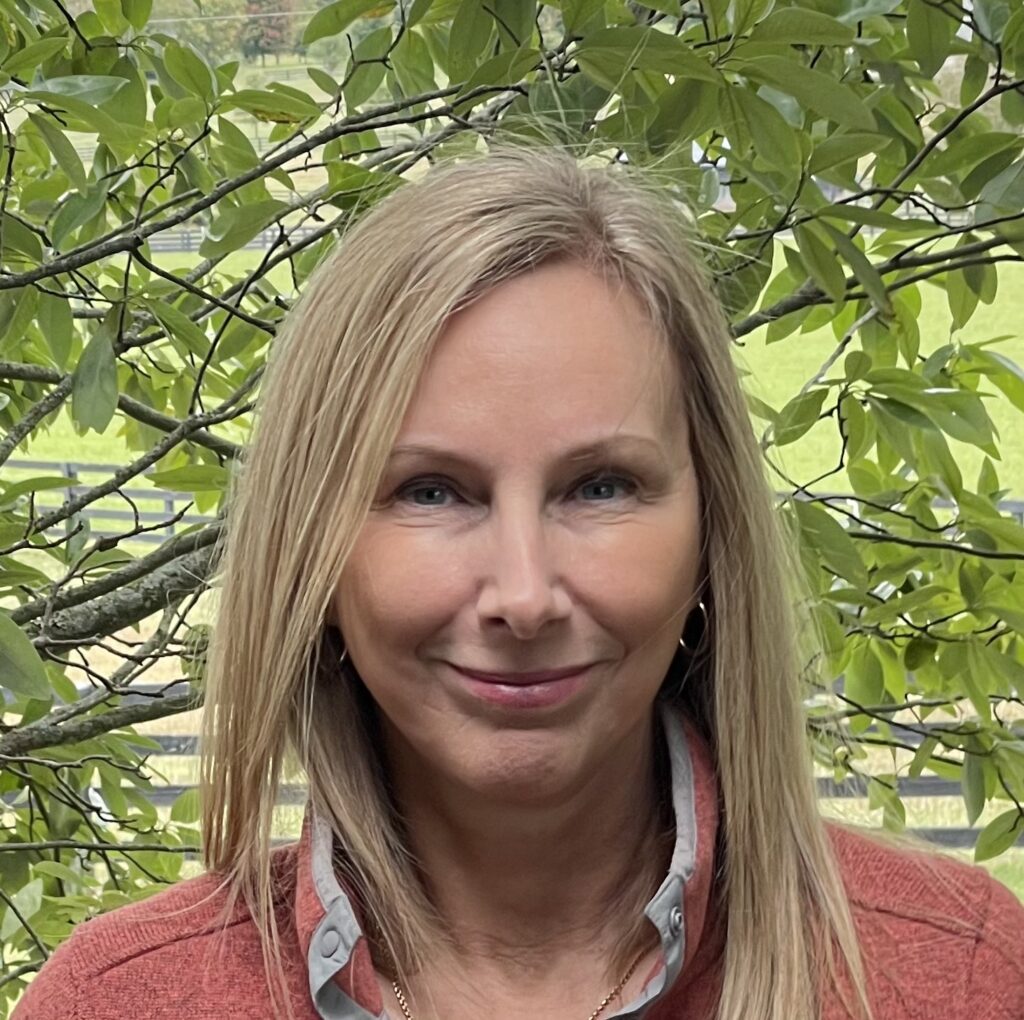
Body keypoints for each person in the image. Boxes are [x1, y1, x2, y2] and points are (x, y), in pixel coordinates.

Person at [13, 145, 1024, 1020]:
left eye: (599, 485)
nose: (525, 596)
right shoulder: (119, 998)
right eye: (431, 492)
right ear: (313, 549)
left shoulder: (959, 973)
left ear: (710, 530)